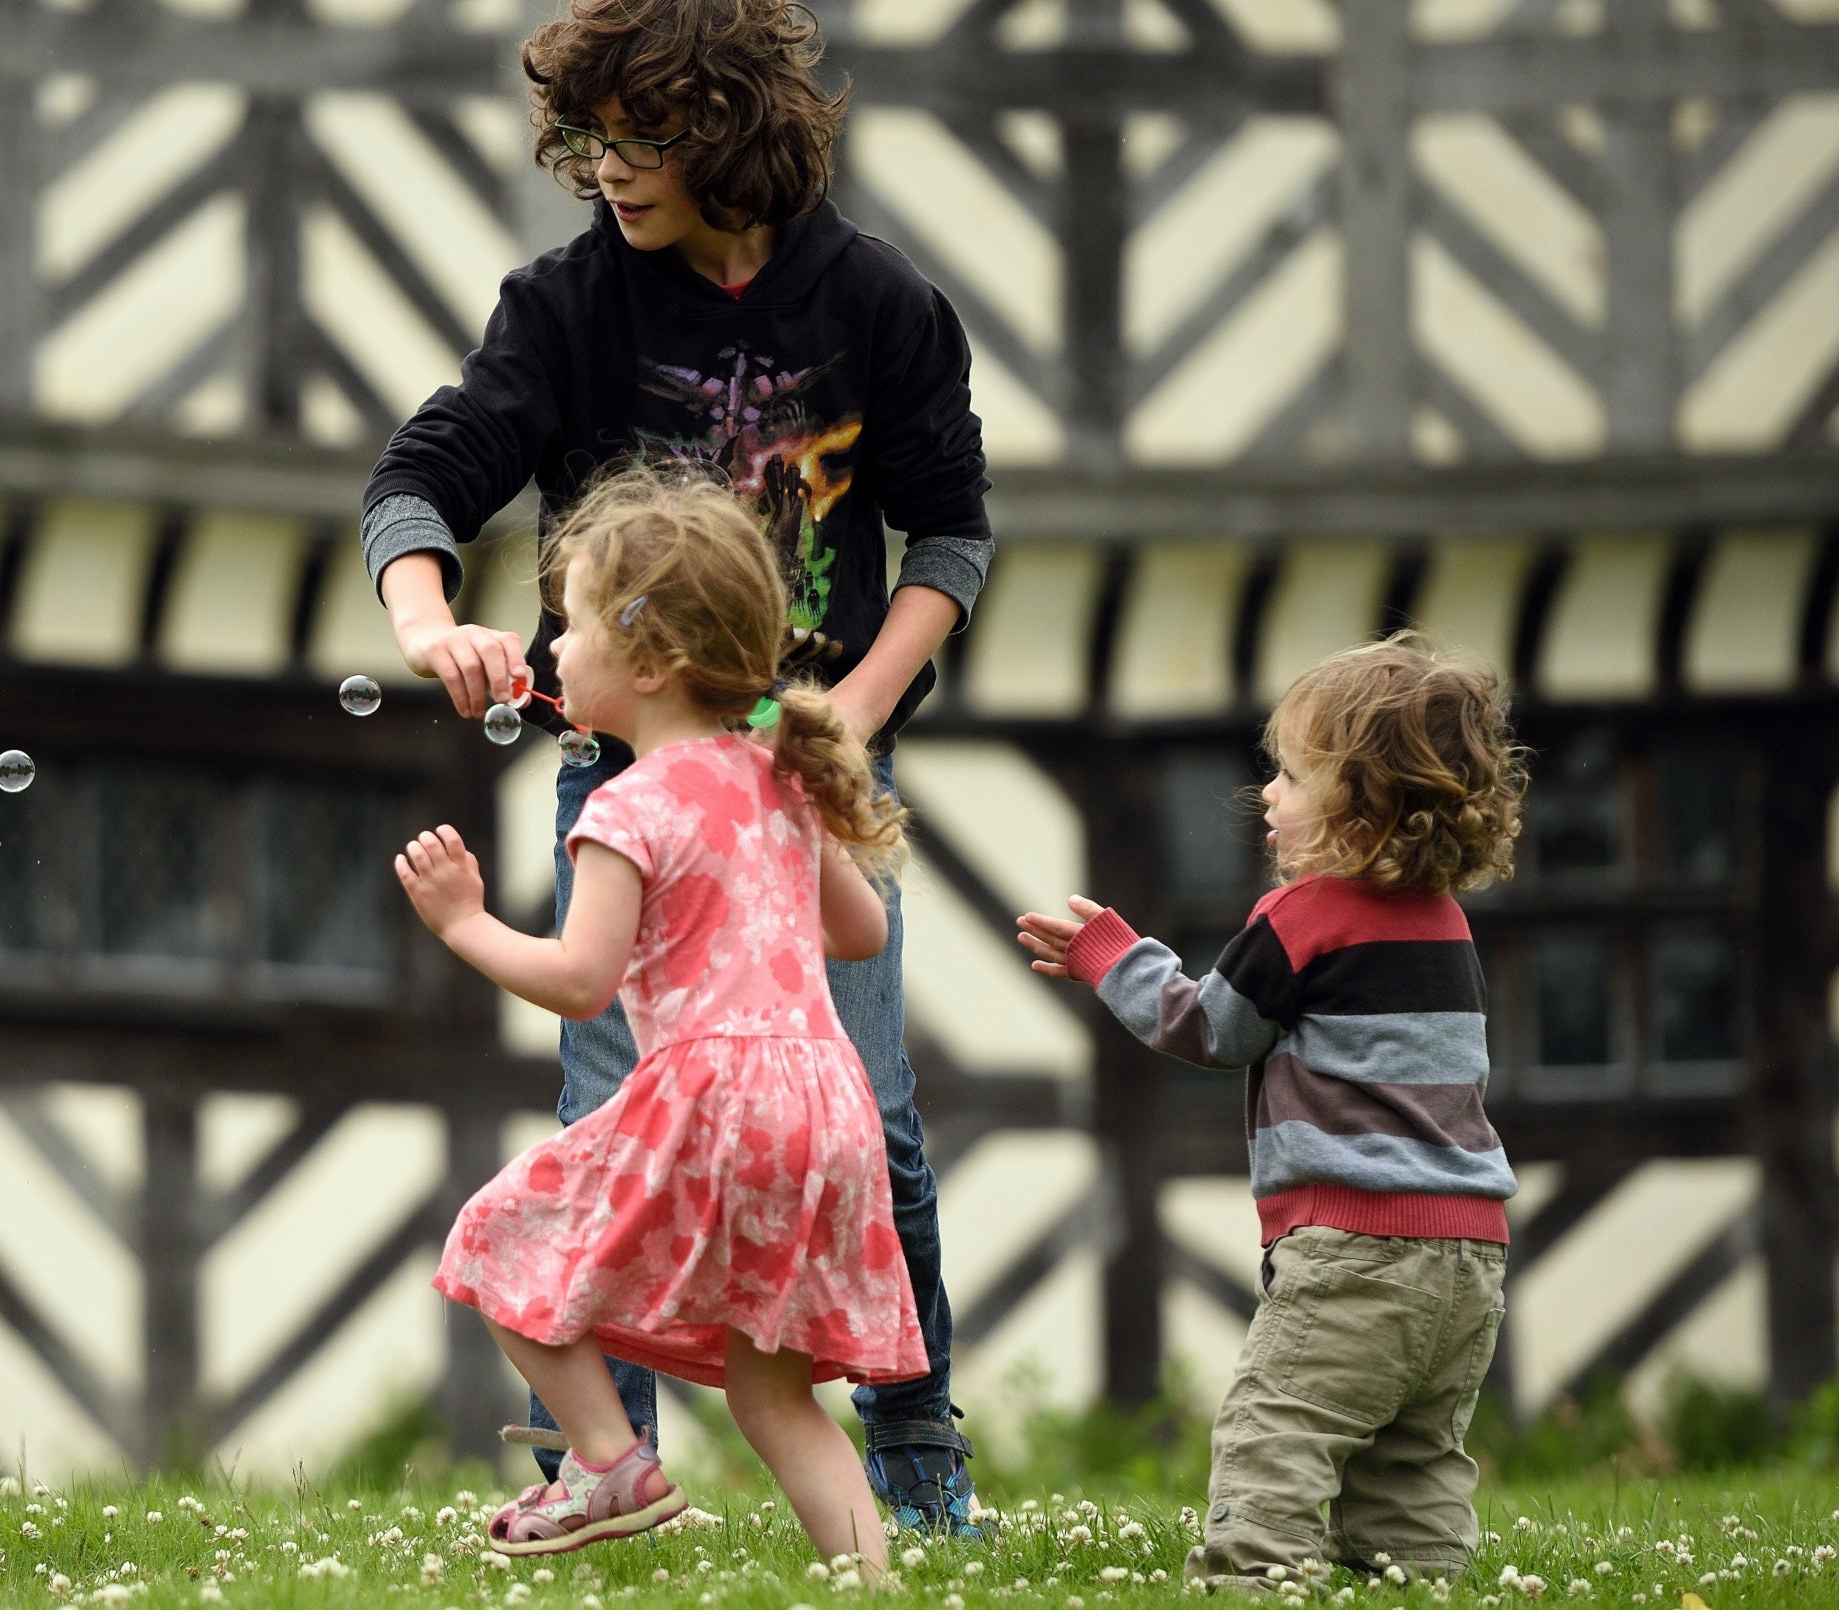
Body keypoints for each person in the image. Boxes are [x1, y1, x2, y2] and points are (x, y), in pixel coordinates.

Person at [359, 0, 992, 1527]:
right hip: (625, 781)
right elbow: (420, 474)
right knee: (605, 1130)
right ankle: (595, 1473)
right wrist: (429, 612)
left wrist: (847, 707)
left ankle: (919, 1469)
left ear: (721, 124)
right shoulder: (571, 302)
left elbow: (950, 531)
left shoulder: (879, 301)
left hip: (804, 787)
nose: (602, 172)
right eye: (582, 143)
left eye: (633, 140)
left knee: (880, 1126)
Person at [398, 472, 922, 1570]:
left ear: (648, 662)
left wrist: (466, 924)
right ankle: (874, 1586)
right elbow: (865, 930)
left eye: (574, 625)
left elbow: (582, 982)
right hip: (828, 1103)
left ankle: (609, 1460)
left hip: (714, 1097)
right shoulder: (779, 777)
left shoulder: (624, 807)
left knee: (498, 1243)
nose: (552, 652)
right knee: (773, 1394)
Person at [1014, 636, 1527, 1589]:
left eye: (1292, 775)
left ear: (1362, 808)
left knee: (1277, 1427)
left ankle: (1252, 1583)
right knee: (1411, 1461)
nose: (1269, 794)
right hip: (1471, 1251)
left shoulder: (1304, 915)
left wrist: (1110, 956)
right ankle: (1415, 1587)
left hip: (1356, 1246)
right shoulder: (1447, 923)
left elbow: (1207, 1027)